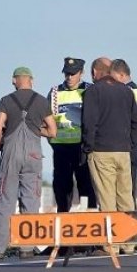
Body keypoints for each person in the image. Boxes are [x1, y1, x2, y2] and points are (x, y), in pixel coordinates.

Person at [0, 67, 57, 260]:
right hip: (33, 155)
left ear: (15, 80)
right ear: (32, 80)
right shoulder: (41, 101)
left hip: (11, 155)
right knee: (31, 200)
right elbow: (53, 131)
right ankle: (27, 248)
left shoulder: (6, 100)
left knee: (5, 199)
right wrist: (36, 129)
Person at [82, 58, 137, 215]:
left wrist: (88, 148)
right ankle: (129, 238)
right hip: (123, 152)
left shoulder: (92, 92)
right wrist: (131, 144)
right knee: (126, 198)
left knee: (106, 200)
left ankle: (111, 239)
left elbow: (89, 123)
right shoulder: (127, 91)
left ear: (95, 72)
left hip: (101, 152)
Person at [47, 57, 97, 212]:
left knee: (86, 186)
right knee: (62, 187)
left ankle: (90, 218)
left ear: (81, 73)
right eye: (66, 74)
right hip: (61, 148)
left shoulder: (89, 90)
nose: (69, 77)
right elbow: (47, 118)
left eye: (73, 74)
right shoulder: (55, 92)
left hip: (82, 148)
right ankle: (63, 218)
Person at [113, 61, 137, 203]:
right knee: (128, 190)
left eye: (113, 78)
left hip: (128, 146)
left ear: (121, 75)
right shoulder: (135, 90)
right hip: (133, 144)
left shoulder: (128, 91)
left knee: (126, 192)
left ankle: (129, 222)